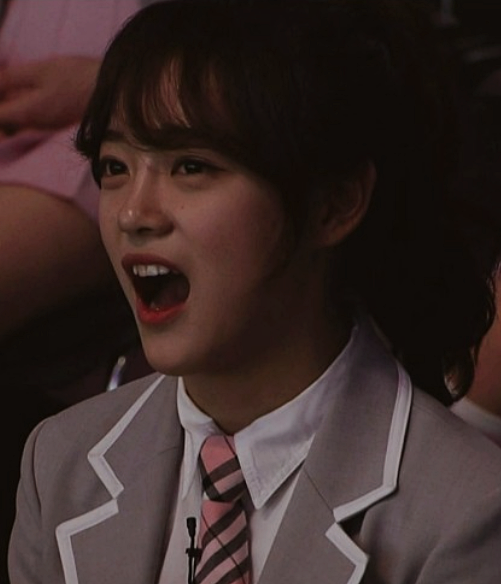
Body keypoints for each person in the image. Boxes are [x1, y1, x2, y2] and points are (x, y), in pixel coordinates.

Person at [8, 1, 501, 583]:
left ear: (335, 204)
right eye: (114, 166)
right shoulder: (59, 462)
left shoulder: (466, 510)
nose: (134, 213)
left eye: (191, 166)